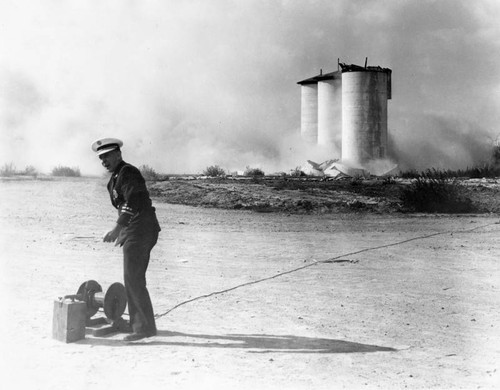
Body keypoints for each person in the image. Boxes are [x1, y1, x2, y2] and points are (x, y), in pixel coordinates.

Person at [91, 137, 161, 341]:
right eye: (101, 158)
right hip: (135, 230)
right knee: (133, 277)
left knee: (133, 278)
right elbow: (123, 207)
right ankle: (141, 324)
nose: (104, 161)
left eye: (107, 156)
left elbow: (134, 202)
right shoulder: (115, 177)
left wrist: (117, 228)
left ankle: (143, 329)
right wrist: (123, 233)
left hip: (142, 230)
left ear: (118, 154)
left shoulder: (128, 172)